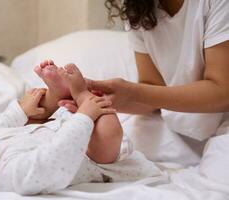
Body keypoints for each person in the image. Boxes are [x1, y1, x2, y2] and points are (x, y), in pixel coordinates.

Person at [59, 0, 229, 185]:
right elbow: (152, 87)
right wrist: (105, 100)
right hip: (179, 125)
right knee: (112, 151)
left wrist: (134, 93)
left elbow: (222, 91)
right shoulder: (139, 8)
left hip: (223, 119)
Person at [0, 62, 161, 195]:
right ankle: (81, 94)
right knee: (109, 132)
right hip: (93, 157)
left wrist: (21, 110)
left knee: (36, 115)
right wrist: (84, 117)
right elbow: (53, 162)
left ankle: (58, 94)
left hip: (59, 129)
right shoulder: (11, 175)